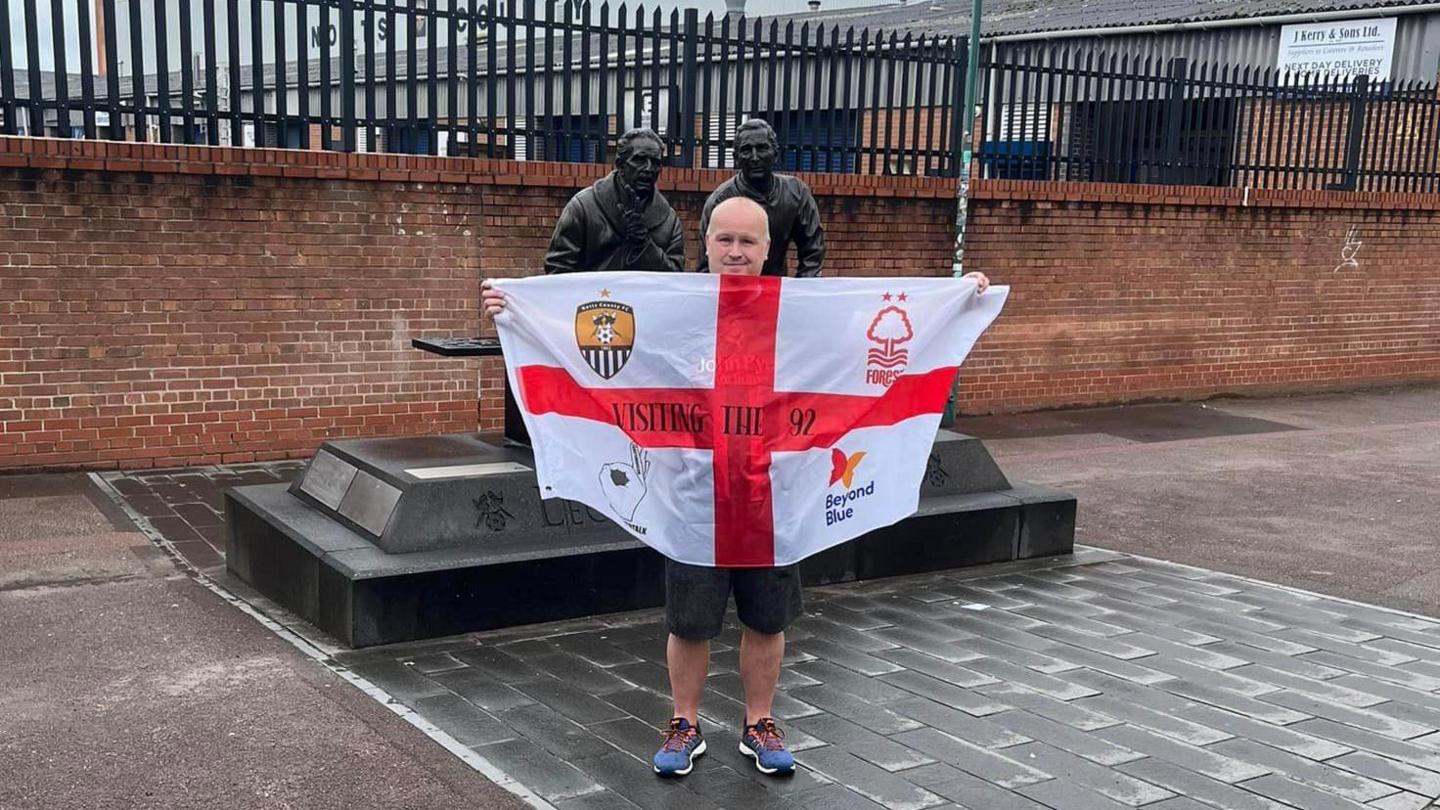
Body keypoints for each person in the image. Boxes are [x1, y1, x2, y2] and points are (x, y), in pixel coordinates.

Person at [481, 198, 988, 779]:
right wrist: (517, 311)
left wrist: (957, 300)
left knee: (767, 621)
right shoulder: (674, 310)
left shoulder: (802, 313)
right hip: (694, 498)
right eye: (725, 239)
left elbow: (872, 336)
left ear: (769, 249)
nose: (736, 251)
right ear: (707, 242)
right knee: (688, 623)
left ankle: (760, 721)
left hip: (775, 497)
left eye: (749, 241)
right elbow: (594, 341)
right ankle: (684, 722)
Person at [543, 127, 686, 274]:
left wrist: (643, 244)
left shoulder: (669, 220)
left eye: (655, 162)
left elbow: (674, 278)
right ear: (620, 165)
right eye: (639, 160)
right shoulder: (583, 207)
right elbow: (558, 269)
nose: (648, 169)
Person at [696, 119, 825, 277]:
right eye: (746, 150)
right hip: (734, 293)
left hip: (776, 293)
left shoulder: (796, 193)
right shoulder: (720, 202)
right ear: (736, 158)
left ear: (775, 154)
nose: (755, 157)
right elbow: (705, 265)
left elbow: (812, 253)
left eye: (762, 148)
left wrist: (801, 294)